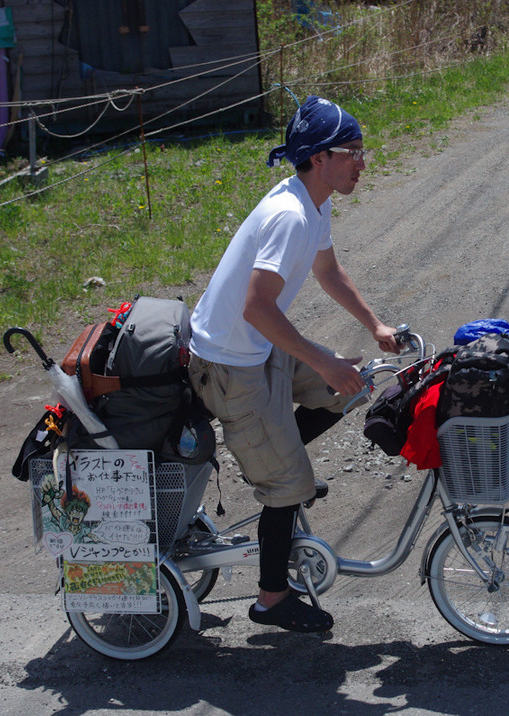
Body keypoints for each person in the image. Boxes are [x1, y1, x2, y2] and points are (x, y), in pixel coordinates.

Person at [188, 96, 400, 633]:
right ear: (319, 157)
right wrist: (323, 359)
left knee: (352, 387)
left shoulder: (315, 201)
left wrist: (374, 326)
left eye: (361, 150)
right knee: (290, 486)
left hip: (254, 350)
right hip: (227, 367)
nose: (362, 161)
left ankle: (272, 451)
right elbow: (256, 307)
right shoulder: (289, 214)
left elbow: (329, 272)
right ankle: (271, 601)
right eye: (353, 151)